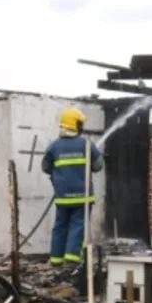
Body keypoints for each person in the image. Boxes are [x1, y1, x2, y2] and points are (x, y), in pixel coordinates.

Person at [41, 107, 103, 269]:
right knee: (78, 225)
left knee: (60, 226)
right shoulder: (87, 144)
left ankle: (55, 260)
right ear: (75, 124)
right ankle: (72, 260)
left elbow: (45, 167)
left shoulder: (53, 146)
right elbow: (98, 166)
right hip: (83, 196)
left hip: (62, 196)